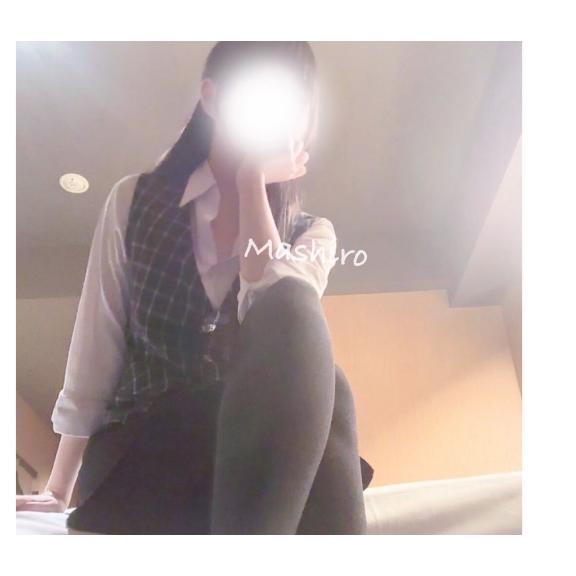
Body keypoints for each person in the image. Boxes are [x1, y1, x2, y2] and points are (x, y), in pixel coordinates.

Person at [16, 41, 373, 534]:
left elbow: (278, 316)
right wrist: (59, 489)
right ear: (211, 97)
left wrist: (251, 181)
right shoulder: (136, 200)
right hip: (140, 456)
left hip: (241, 463)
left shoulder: (314, 234)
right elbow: (95, 352)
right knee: (325, 393)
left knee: (323, 369)